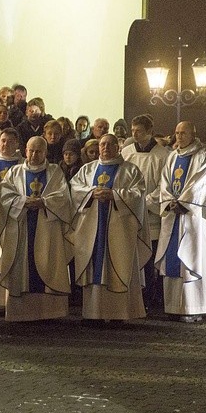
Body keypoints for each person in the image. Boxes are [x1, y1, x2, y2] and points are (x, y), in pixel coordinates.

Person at [68, 134, 151, 324]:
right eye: (102, 144)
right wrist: (91, 193)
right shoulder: (88, 169)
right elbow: (75, 189)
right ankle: (92, 314)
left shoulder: (130, 170)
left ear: (117, 147)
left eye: (109, 145)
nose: (104, 148)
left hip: (119, 231)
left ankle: (118, 314)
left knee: (118, 267)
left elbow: (138, 194)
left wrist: (114, 195)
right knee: (93, 266)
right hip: (92, 229)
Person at [155, 121, 206, 322]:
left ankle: (195, 307)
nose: (179, 136)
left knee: (193, 258)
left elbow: (203, 181)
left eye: (183, 133)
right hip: (173, 216)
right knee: (173, 261)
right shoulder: (172, 156)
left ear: (193, 133)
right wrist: (169, 200)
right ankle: (173, 306)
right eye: (177, 132)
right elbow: (164, 182)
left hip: (195, 217)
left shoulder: (205, 155)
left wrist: (184, 202)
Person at [0, 136, 73, 321]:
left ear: (45, 152)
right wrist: (23, 201)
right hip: (21, 227)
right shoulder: (15, 172)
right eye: (31, 150)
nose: (34, 154)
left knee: (48, 262)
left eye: (38, 151)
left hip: (48, 229)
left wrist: (44, 202)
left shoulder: (54, 172)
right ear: (25, 151)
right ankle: (20, 313)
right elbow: (4, 196)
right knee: (21, 267)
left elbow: (63, 197)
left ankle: (50, 312)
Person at [122, 114, 170, 313]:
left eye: (138, 131)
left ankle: (151, 297)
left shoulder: (163, 155)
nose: (134, 134)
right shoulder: (125, 153)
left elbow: (165, 185)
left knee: (149, 259)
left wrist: (145, 201)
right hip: (129, 212)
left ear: (149, 131)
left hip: (151, 216)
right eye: (132, 131)